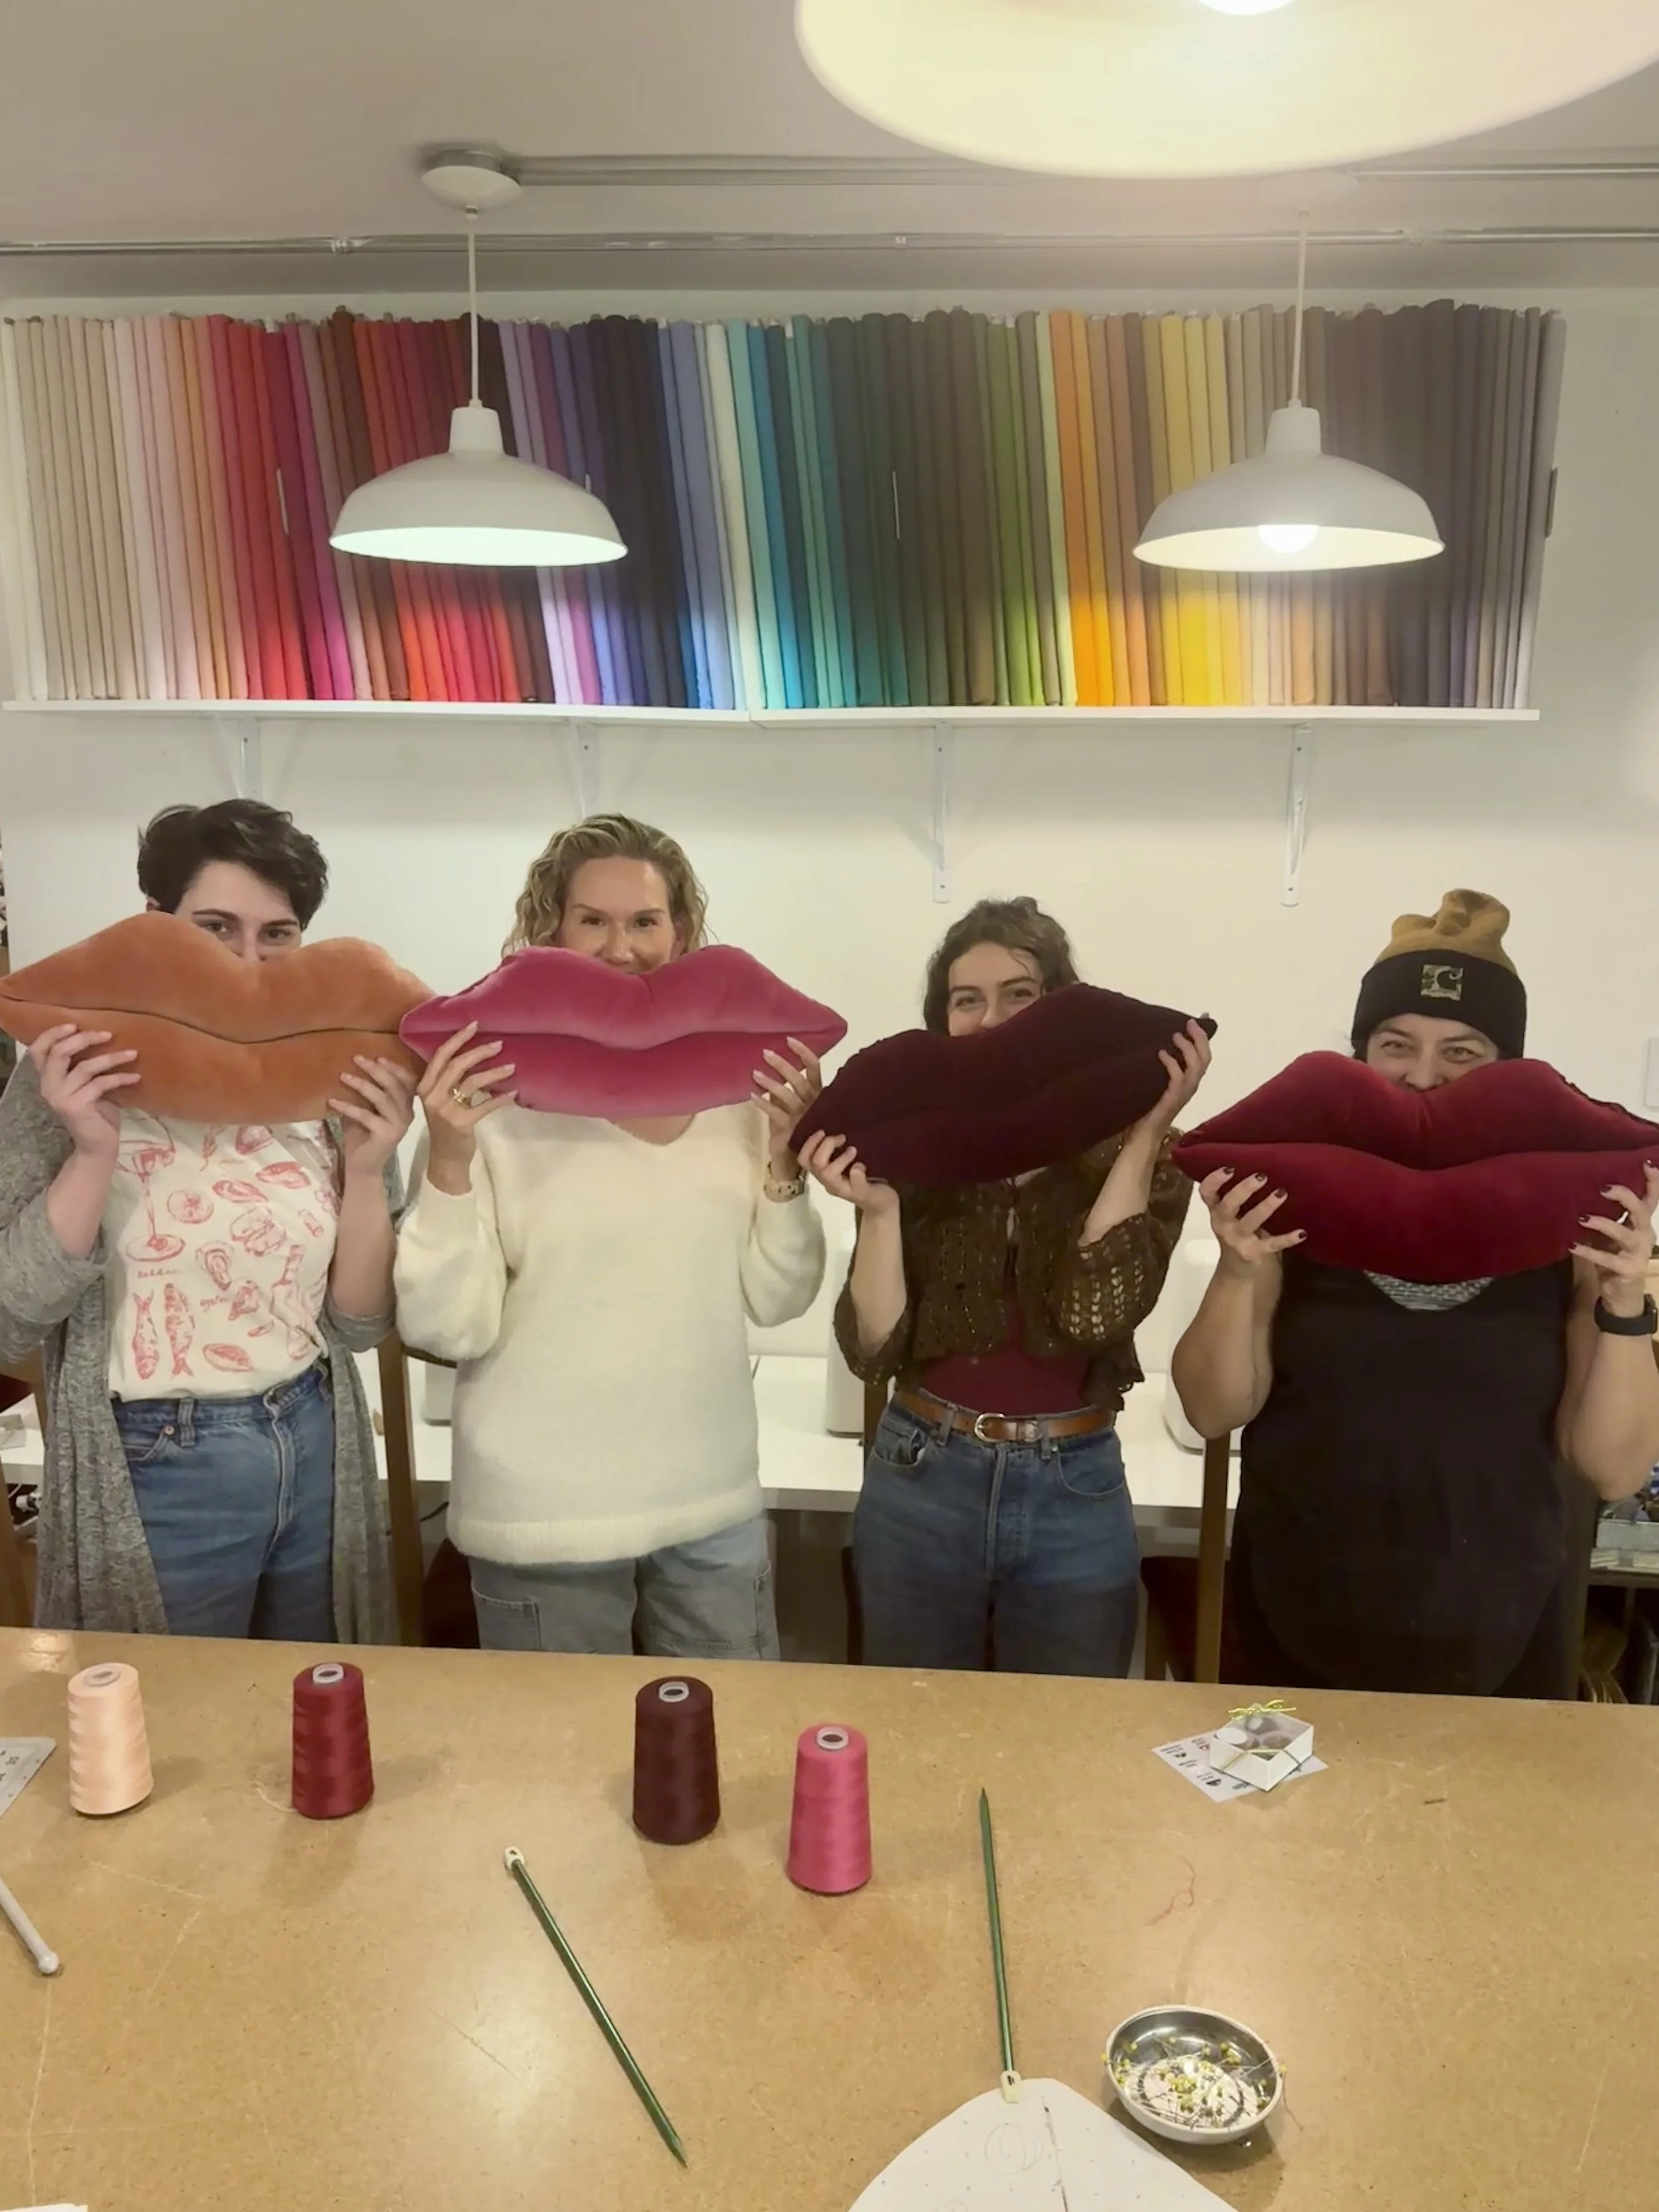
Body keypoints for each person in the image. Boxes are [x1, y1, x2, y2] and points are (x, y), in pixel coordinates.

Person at [1172, 890, 1659, 1699]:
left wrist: (1624, 1297)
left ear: (1510, 1071)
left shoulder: (1563, 1231)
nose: (1422, 1076)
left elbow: (1610, 1469)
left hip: (1502, 1634)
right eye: (1394, 1044)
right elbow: (1212, 1410)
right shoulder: (1293, 1206)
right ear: (1360, 1055)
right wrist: (1237, 1268)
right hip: (1295, 1619)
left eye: (1462, 1051)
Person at [394, 814, 826, 1659]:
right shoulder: (483, 1099)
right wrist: (447, 1154)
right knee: (554, 1775)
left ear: (683, 934)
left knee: (730, 1756)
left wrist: (784, 1162)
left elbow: (779, 1298)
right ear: (551, 929)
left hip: (710, 1502)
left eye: (644, 922)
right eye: (592, 920)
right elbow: (448, 1327)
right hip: (542, 1516)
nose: (620, 949)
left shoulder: (739, 1096)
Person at [0, 800, 411, 1639]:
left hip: (313, 1434)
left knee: (313, 1711)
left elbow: (361, 1325)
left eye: (277, 934)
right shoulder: (67, 1076)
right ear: (154, 924)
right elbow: (8, 1321)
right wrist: (90, 1152)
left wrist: (367, 1170)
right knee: (175, 1726)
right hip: (155, 1459)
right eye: (216, 926)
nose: (245, 962)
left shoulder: (328, 1086)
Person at [801, 897, 1204, 1676]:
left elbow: (1098, 1313)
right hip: (922, 1470)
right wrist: (880, 1212)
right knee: (911, 1730)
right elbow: (872, 1350)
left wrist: (1145, 1129)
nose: (991, 1022)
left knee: (1064, 1746)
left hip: (1074, 1481)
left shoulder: (1136, 1152)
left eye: (1019, 995)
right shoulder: (913, 1147)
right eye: (966, 1001)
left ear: (1059, 1007)